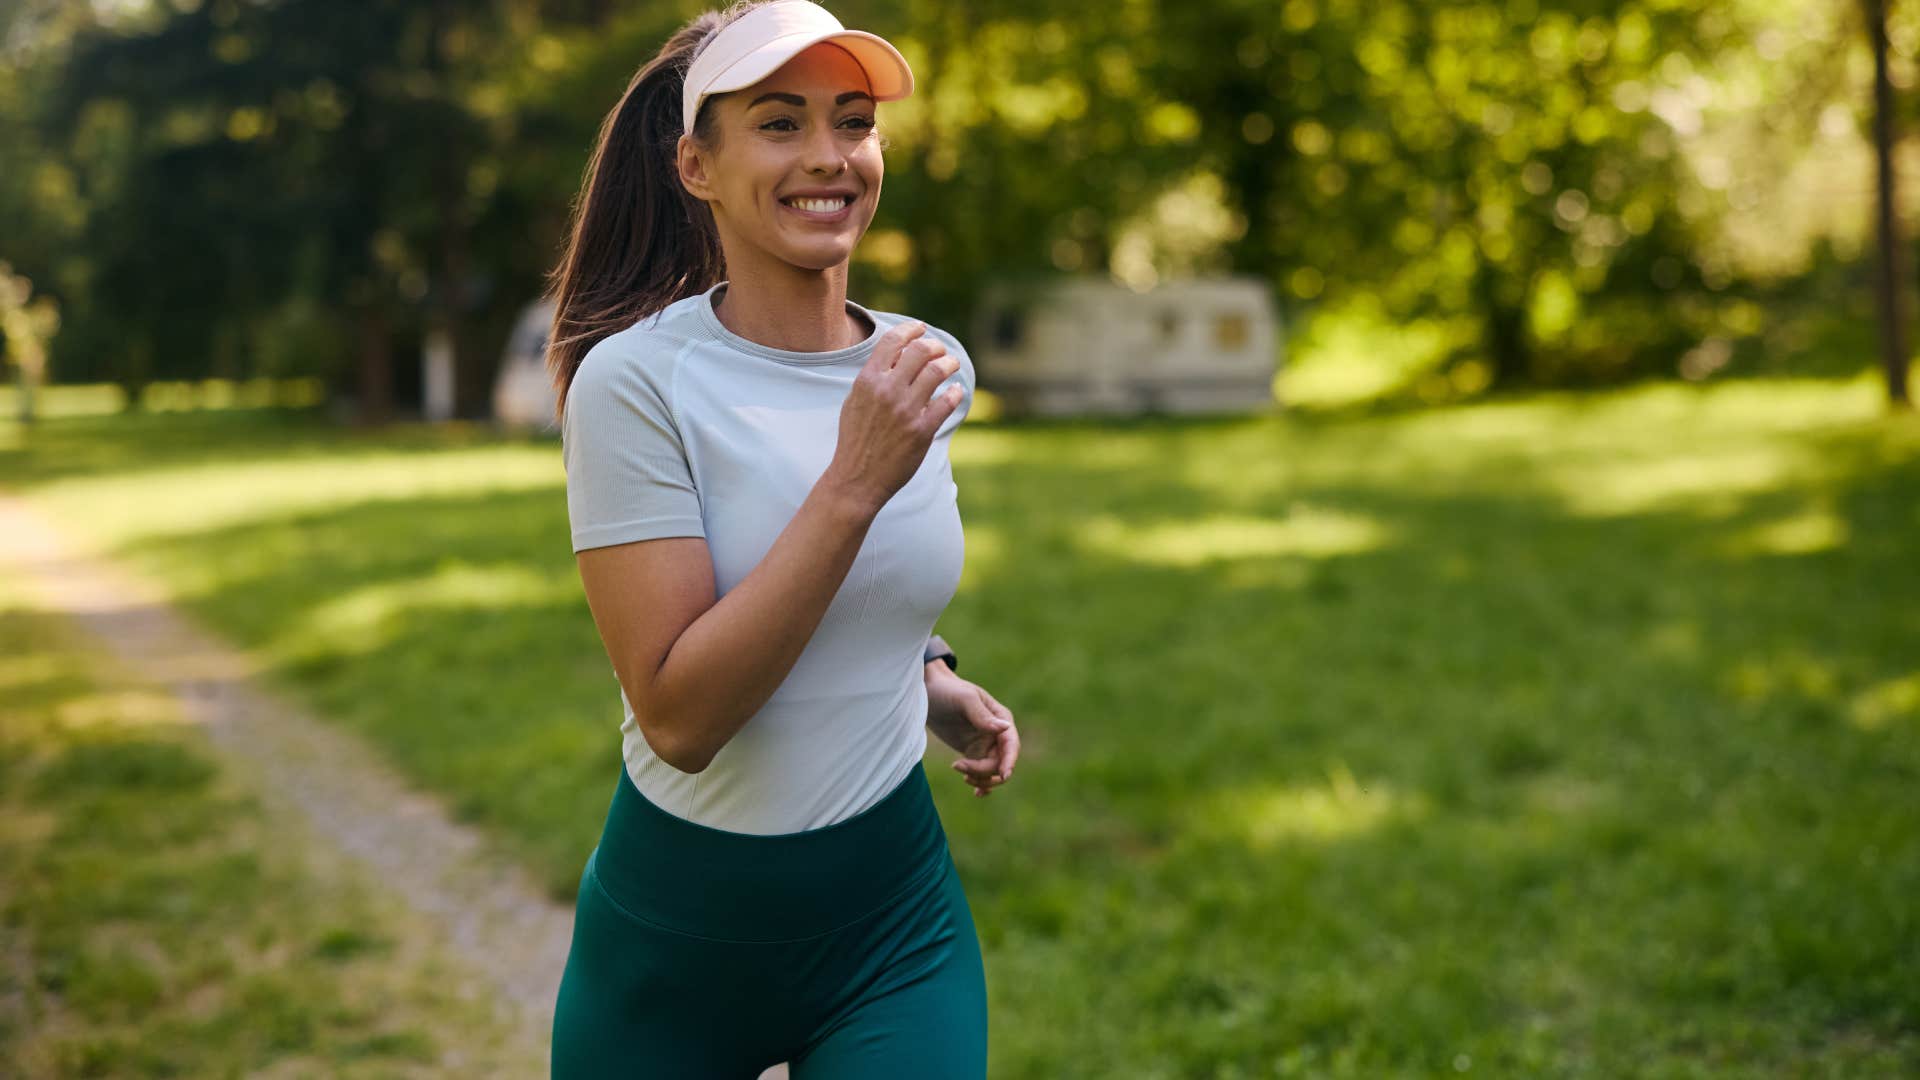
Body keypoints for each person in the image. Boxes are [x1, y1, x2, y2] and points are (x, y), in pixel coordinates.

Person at [542, 2, 1021, 1076]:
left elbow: (878, 585)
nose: (828, 157)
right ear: (696, 167)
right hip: (677, 949)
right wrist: (851, 480)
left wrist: (928, 675)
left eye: (853, 122)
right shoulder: (638, 384)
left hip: (892, 927)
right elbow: (680, 716)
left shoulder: (923, 365)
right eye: (778, 123)